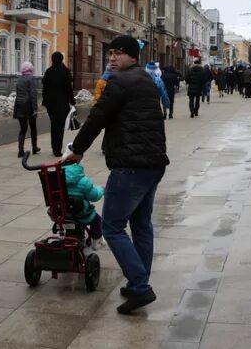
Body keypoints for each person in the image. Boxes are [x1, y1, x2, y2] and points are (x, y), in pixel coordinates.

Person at [63, 35, 168, 315]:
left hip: (131, 165)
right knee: (142, 224)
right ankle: (138, 283)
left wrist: (77, 149)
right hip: (153, 164)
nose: (112, 58)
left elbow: (97, 118)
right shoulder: (146, 80)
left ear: (133, 57)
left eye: (119, 53)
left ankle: (140, 286)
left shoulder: (119, 82)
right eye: (110, 53)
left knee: (111, 226)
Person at [63, 162, 105, 249]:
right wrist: (101, 190)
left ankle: (69, 236)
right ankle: (97, 240)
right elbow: (94, 196)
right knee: (96, 219)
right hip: (81, 213)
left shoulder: (59, 180)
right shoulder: (85, 181)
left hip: (62, 212)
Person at [42, 52, 75, 157]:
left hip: (50, 104)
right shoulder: (65, 71)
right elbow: (69, 88)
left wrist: (45, 101)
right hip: (62, 103)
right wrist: (72, 100)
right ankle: (57, 149)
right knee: (60, 126)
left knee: (53, 124)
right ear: (61, 59)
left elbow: (44, 89)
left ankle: (54, 147)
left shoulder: (48, 72)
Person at [14, 61, 40, 157]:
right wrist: (35, 109)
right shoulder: (31, 78)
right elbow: (33, 94)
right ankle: (34, 148)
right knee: (33, 127)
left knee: (23, 129)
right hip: (28, 106)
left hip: (19, 105)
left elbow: (17, 92)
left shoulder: (19, 79)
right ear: (31, 69)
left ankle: (20, 151)